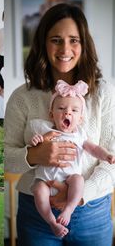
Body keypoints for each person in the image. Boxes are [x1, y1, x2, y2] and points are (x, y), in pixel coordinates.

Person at [4, 3, 115, 246]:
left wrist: (81, 194)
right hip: (35, 213)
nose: (65, 48)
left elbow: (112, 160)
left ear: (84, 45)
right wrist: (33, 155)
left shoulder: (103, 94)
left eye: (74, 40)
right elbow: (4, 156)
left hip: (92, 211)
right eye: (56, 39)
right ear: (43, 43)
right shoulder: (22, 97)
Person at [29, 79, 115, 238]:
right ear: (51, 114)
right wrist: (36, 141)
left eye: (74, 110)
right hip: (45, 181)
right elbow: (36, 144)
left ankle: (69, 209)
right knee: (38, 190)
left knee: (78, 180)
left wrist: (107, 155)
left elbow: (94, 149)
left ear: (81, 119)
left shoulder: (79, 135)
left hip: (69, 179)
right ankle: (51, 222)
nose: (67, 113)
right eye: (61, 108)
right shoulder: (45, 130)